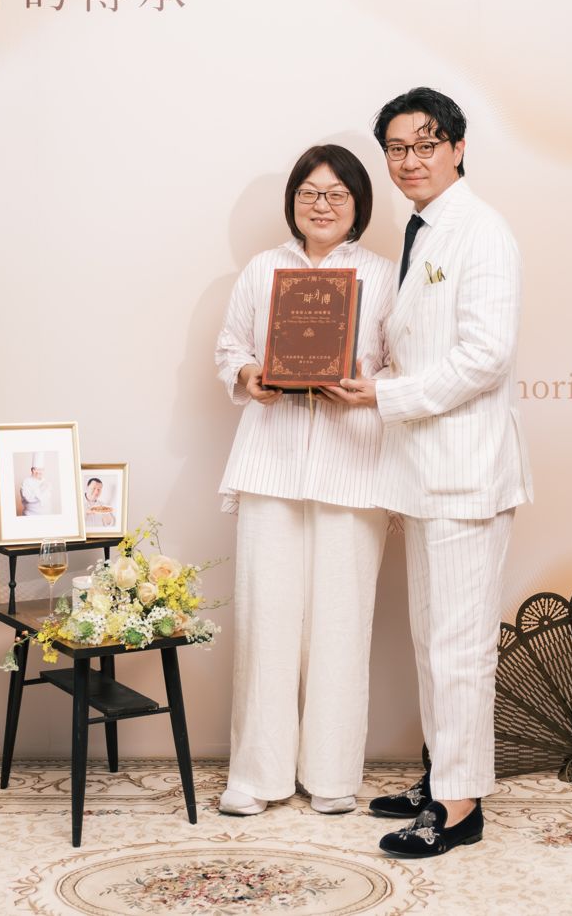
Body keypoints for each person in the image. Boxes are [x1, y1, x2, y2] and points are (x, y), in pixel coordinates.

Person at [325, 88, 532, 857]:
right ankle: (442, 774)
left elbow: (485, 357)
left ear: (458, 148)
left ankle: (459, 807)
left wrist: (386, 395)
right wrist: (372, 376)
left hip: (466, 473)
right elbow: (421, 344)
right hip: (423, 471)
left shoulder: (482, 231)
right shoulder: (424, 227)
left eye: (425, 144)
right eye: (397, 148)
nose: (410, 160)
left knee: (459, 648)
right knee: (432, 642)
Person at [214, 143, 395, 817]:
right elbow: (230, 347)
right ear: (293, 201)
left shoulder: (385, 277)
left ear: (357, 204)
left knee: (341, 624)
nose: (322, 205)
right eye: (309, 193)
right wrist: (248, 375)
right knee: (266, 621)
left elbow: (405, 364)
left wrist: (371, 388)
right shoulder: (263, 270)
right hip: (271, 460)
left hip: (355, 466)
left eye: (336, 194)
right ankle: (256, 775)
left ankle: (332, 774)